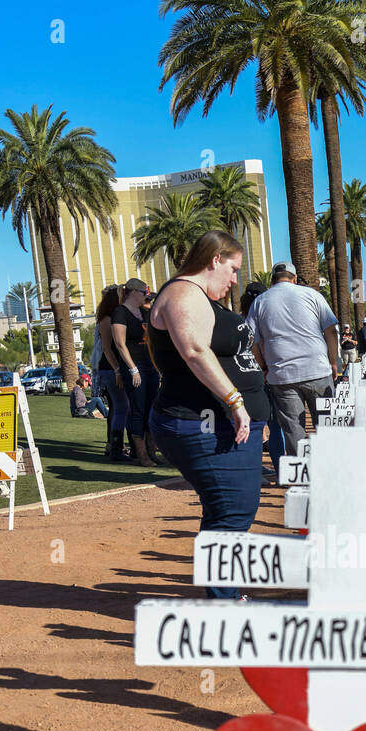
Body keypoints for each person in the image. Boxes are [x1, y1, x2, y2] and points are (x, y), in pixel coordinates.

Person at [147, 231, 270, 600]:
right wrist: (236, 401)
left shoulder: (200, 297)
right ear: (214, 259)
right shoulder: (183, 293)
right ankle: (225, 603)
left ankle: (227, 595)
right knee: (232, 512)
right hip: (200, 421)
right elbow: (196, 351)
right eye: (233, 269)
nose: (235, 279)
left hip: (224, 424)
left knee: (229, 510)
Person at [244, 261, 338, 456]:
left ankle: (301, 478)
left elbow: (251, 341)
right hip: (317, 370)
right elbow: (331, 331)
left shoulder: (260, 302)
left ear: (272, 280)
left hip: (281, 375)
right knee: (327, 427)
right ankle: (329, 473)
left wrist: (263, 367)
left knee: (294, 431)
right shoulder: (312, 295)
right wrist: (333, 361)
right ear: (294, 278)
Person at [111, 277, 161, 466]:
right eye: (143, 293)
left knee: (151, 407)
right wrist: (132, 369)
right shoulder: (120, 312)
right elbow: (119, 344)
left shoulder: (143, 312)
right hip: (134, 365)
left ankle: (151, 450)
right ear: (133, 292)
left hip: (150, 365)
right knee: (138, 409)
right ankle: (141, 454)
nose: (146, 297)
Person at [241, 279, 283, 480]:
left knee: (256, 424)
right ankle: (257, 469)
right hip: (259, 375)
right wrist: (265, 368)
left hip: (251, 376)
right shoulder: (258, 317)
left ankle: (255, 466)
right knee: (265, 424)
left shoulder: (243, 319)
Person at [94, 285, 130, 460]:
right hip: (110, 369)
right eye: (121, 294)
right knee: (121, 407)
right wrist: (117, 371)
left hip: (115, 368)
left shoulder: (116, 316)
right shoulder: (106, 319)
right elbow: (107, 349)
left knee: (120, 407)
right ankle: (116, 447)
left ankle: (116, 446)